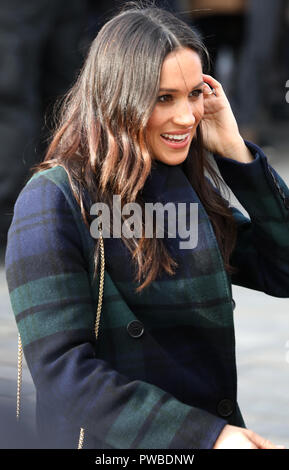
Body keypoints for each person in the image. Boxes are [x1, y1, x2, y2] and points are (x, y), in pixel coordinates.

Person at [5, 2, 289, 449]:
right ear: (119, 96)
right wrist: (206, 437)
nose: (186, 116)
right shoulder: (53, 198)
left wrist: (237, 154)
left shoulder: (186, 184)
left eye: (195, 93)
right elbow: (64, 371)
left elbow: (284, 267)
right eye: (164, 98)